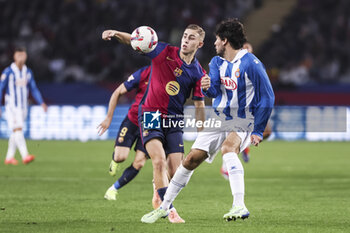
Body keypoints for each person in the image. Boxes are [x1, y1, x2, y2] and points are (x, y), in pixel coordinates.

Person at [140, 18, 275, 223]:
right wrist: (206, 86)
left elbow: (268, 97)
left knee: (229, 149)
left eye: (217, 40)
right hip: (219, 117)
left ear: (225, 41)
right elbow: (213, 90)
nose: (214, 43)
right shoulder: (216, 63)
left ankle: (239, 205)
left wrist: (257, 130)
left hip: (242, 118)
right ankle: (164, 207)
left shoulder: (252, 64)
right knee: (190, 160)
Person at [102, 24, 206, 223]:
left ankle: (157, 186)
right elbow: (136, 40)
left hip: (174, 120)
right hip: (150, 114)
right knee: (158, 161)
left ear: (199, 44)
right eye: (184, 36)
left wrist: (203, 135)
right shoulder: (164, 51)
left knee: (177, 172)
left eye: (191, 38)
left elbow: (199, 105)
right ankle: (170, 210)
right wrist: (115, 34)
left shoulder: (198, 73)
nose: (185, 40)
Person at [97, 66, 155, 203]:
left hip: (151, 122)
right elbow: (118, 92)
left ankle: (113, 189)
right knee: (120, 157)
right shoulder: (143, 73)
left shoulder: (172, 76)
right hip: (133, 120)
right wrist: (108, 118)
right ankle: (115, 160)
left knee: (139, 162)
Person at [0, 47, 47, 165]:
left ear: (26, 56)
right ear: (14, 56)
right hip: (12, 106)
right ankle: (25, 155)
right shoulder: (8, 72)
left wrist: (41, 102)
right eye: (19, 55)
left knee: (16, 132)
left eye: (23, 55)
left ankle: (9, 157)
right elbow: (1, 89)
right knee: (18, 129)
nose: (21, 58)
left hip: (23, 106)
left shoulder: (28, 72)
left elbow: (33, 88)